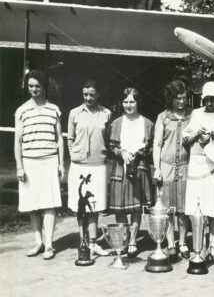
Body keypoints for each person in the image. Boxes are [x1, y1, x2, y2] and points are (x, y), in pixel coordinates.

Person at [14, 70, 64, 260]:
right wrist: (19, 166)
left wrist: (61, 164)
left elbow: (59, 138)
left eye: (37, 86)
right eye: (31, 86)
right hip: (29, 163)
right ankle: (38, 243)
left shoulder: (54, 109)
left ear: (44, 87)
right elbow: (17, 141)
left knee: (49, 205)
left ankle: (50, 245)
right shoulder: (21, 111)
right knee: (33, 206)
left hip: (49, 161)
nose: (34, 89)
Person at [182, 81, 214, 264]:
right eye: (207, 99)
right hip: (198, 163)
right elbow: (186, 140)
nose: (210, 103)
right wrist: (198, 133)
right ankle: (200, 246)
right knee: (199, 206)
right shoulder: (196, 113)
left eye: (213, 99)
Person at [108, 87, 154, 258]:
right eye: (126, 101)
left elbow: (151, 149)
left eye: (132, 101)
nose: (128, 105)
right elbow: (111, 146)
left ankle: (133, 241)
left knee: (136, 207)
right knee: (120, 208)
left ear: (138, 102)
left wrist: (140, 153)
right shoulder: (116, 123)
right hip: (121, 168)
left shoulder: (147, 123)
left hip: (140, 167)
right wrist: (122, 153)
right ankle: (124, 240)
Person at [67, 80, 111, 257]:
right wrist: (74, 154)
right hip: (79, 166)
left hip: (98, 165)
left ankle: (93, 243)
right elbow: (70, 138)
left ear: (98, 94)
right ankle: (82, 241)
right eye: (85, 94)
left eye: (92, 94)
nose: (88, 98)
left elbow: (108, 138)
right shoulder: (74, 113)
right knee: (80, 207)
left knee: (94, 205)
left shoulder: (106, 113)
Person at [153, 80, 192, 261]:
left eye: (184, 98)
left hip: (186, 167)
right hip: (167, 167)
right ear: (171, 98)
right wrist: (157, 169)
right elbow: (157, 144)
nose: (181, 102)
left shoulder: (192, 116)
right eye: (178, 98)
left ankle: (183, 242)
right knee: (168, 209)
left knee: (183, 209)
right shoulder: (163, 117)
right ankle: (170, 243)